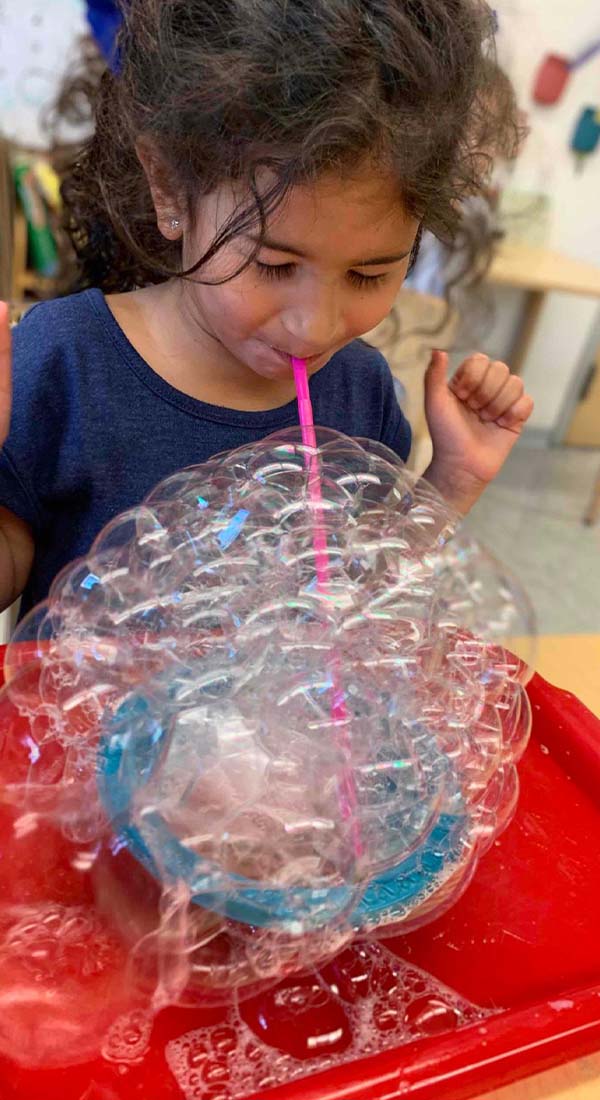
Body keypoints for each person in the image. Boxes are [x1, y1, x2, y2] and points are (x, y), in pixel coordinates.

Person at [0, 0, 533, 620]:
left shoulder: (361, 393)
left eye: (369, 274)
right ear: (170, 187)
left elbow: (363, 598)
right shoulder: (61, 363)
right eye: (274, 266)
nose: (315, 325)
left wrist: (452, 483)